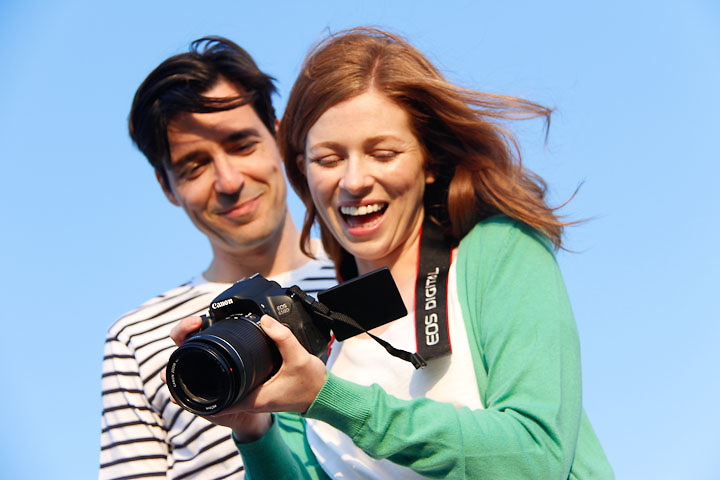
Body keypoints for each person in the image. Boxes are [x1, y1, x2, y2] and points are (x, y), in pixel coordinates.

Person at [171, 27, 614, 479]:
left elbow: (537, 457)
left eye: (383, 153)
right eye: (328, 159)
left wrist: (331, 400)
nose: (354, 181)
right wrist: (253, 430)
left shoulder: (498, 252)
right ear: (302, 170)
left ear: (429, 160)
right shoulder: (312, 329)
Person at [99, 36, 337, 480]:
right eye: (195, 166)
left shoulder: (371, 276)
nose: (228, 181)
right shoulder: (136, 341)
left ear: (279, 136)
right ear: (167, 187)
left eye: (242, 145)